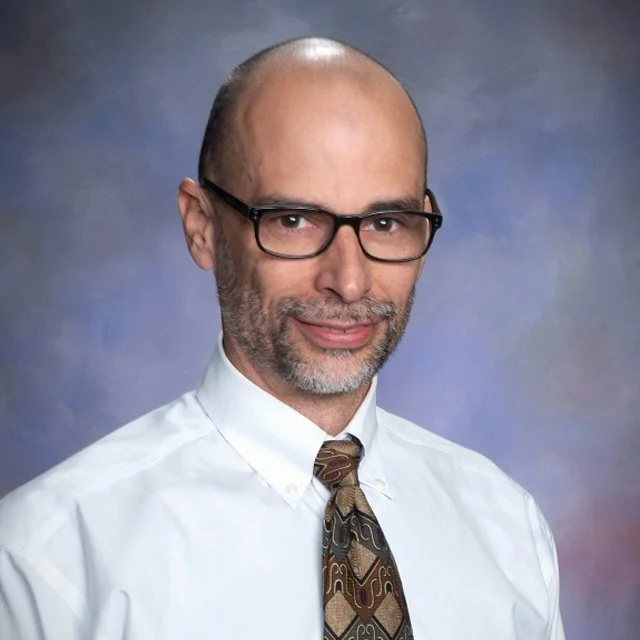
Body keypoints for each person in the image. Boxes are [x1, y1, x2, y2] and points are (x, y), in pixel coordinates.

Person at [0, 37, 565, 639]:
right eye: (292, 220)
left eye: (385, 223)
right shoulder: (47, 560)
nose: (348, 281)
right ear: (202, 227)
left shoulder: (506, 527)